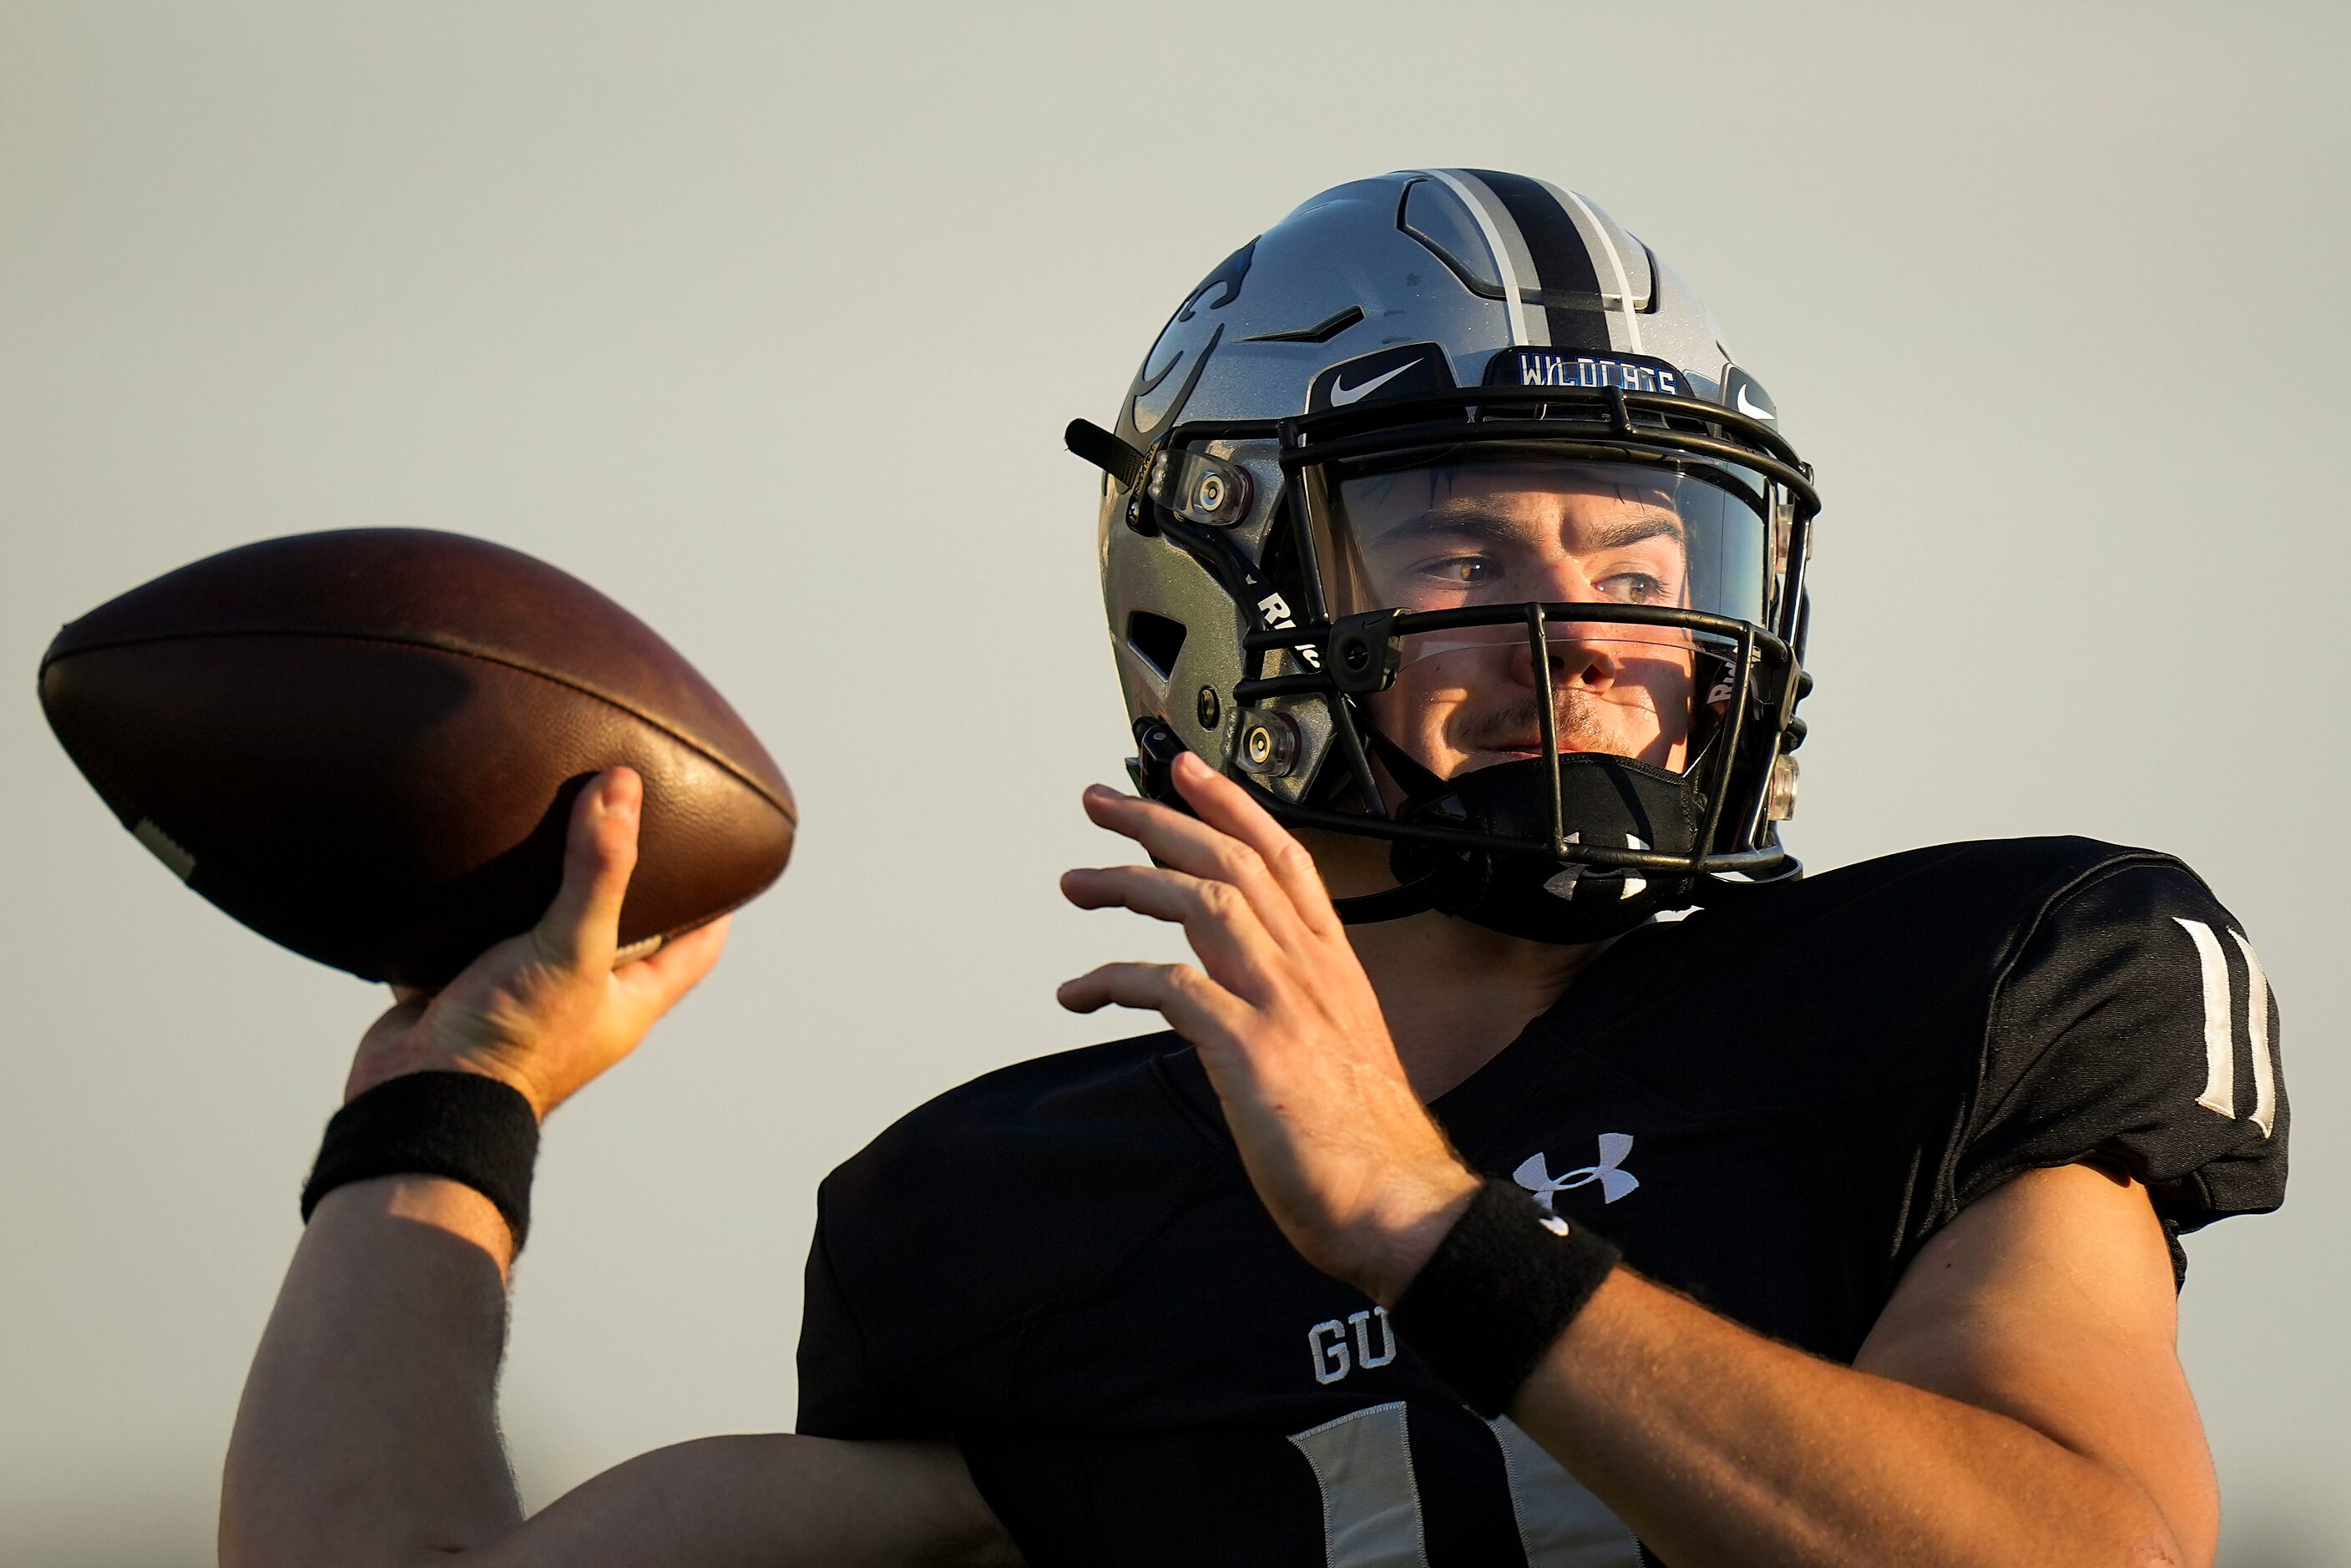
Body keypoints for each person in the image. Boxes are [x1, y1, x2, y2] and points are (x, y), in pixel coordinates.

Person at [220, 171, 2288, 1568]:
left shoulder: (1974, 980)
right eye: (1471, 558)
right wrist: (442, 1107)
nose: (1588, 648)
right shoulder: (1011, 1219)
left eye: (1648, 567)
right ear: (1211, 608)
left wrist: (1418, 1220)